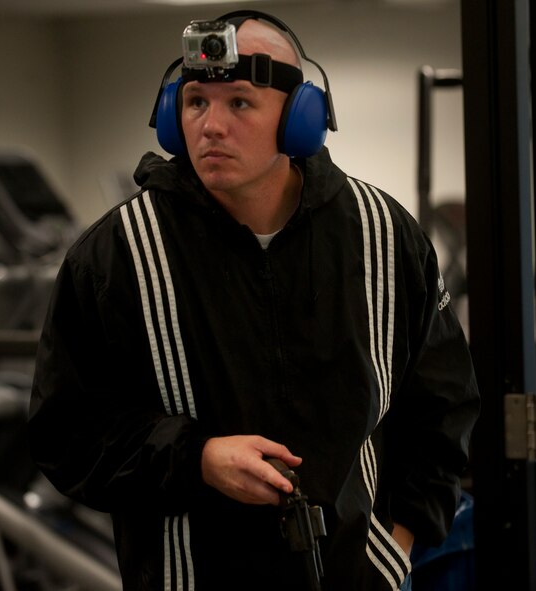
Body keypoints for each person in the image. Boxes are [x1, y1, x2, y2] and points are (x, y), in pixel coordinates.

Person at [28, 10, 479, 591]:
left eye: (239, 102)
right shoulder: (117, 255)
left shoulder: (384, 235)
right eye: (195, 103)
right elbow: (66, 434)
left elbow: (443, 405)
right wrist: (197, 459)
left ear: (300, 119)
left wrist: (398, 543)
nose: (210, 126)